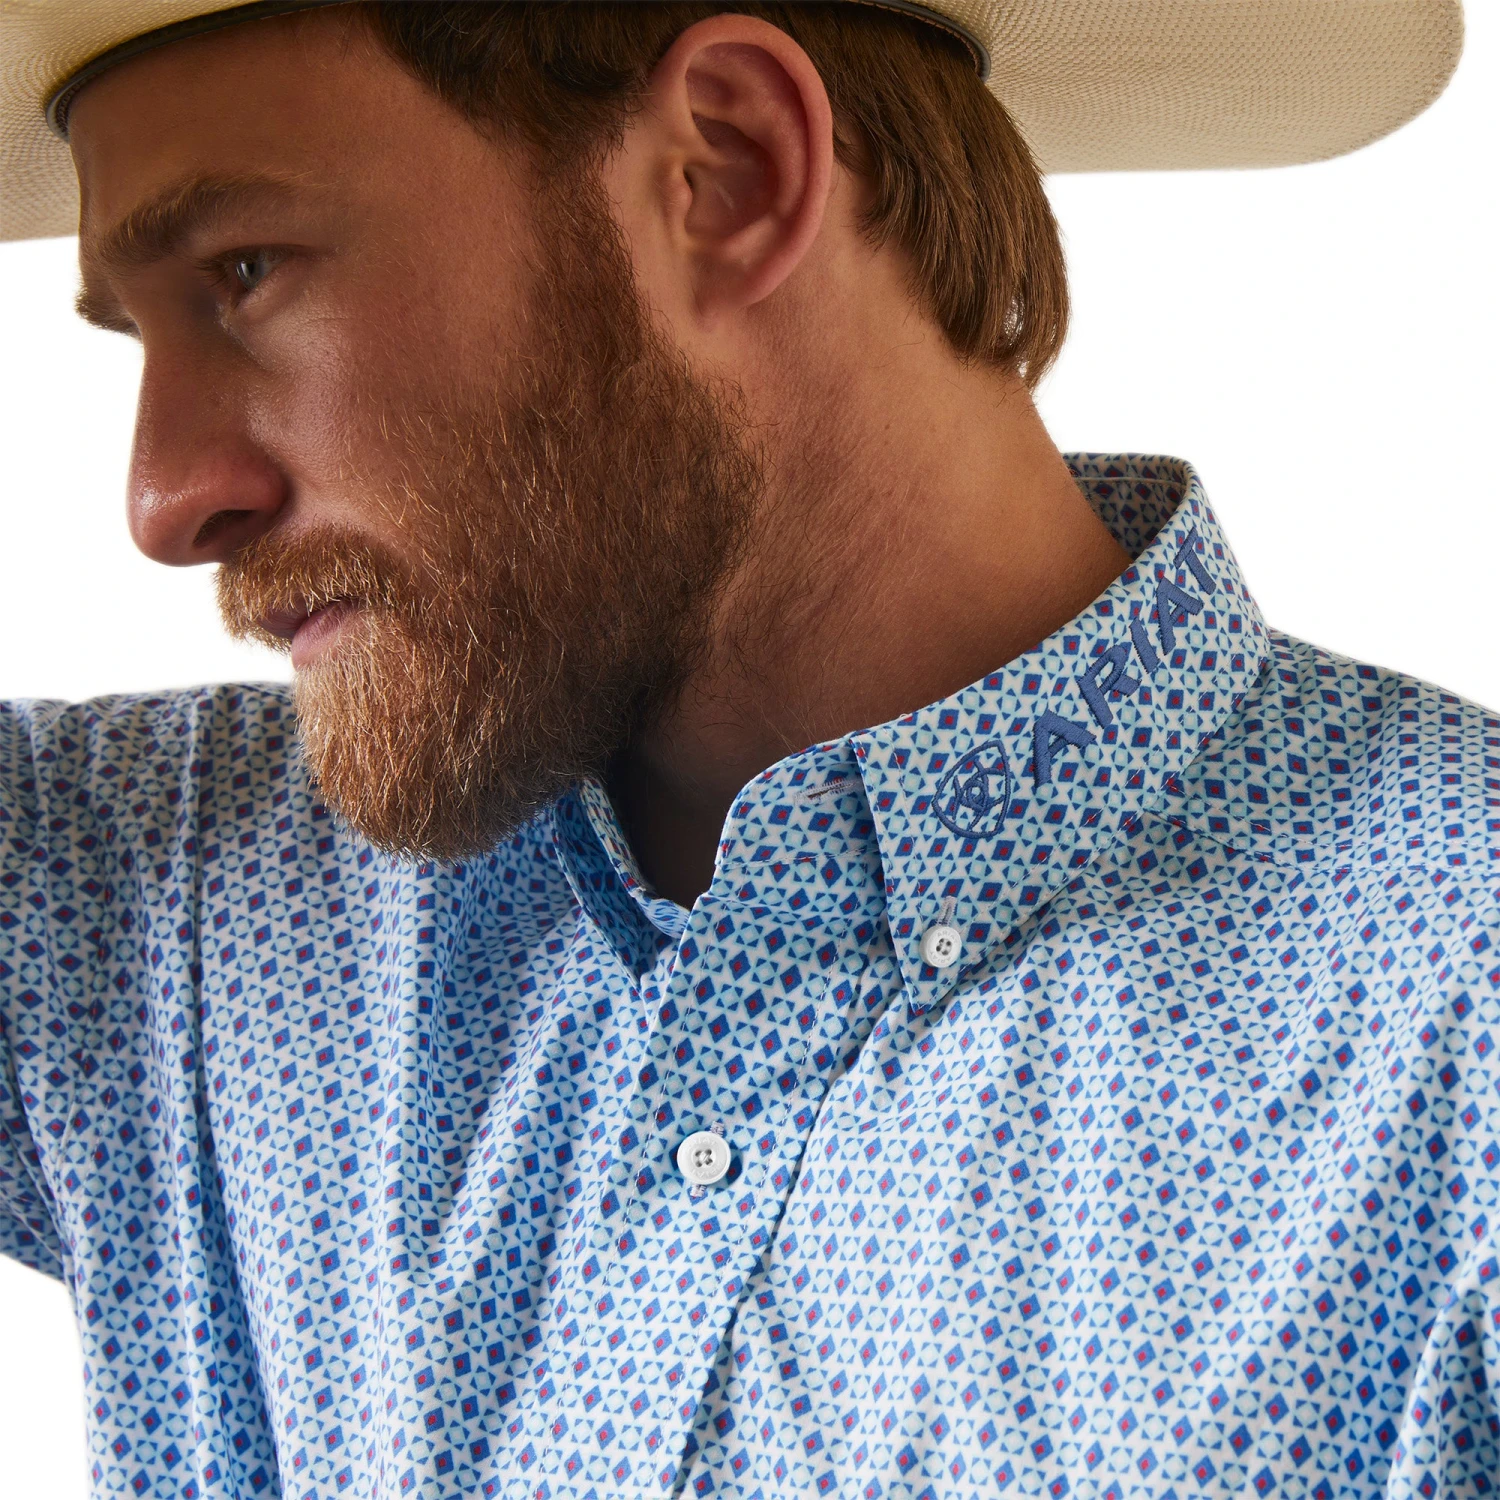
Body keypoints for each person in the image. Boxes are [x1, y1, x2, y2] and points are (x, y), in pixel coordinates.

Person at [0, 1, 1487, 1496]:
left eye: (244, 272)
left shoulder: (1456, 1039)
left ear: (731, 172)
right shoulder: (148, 909)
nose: (164, 501)